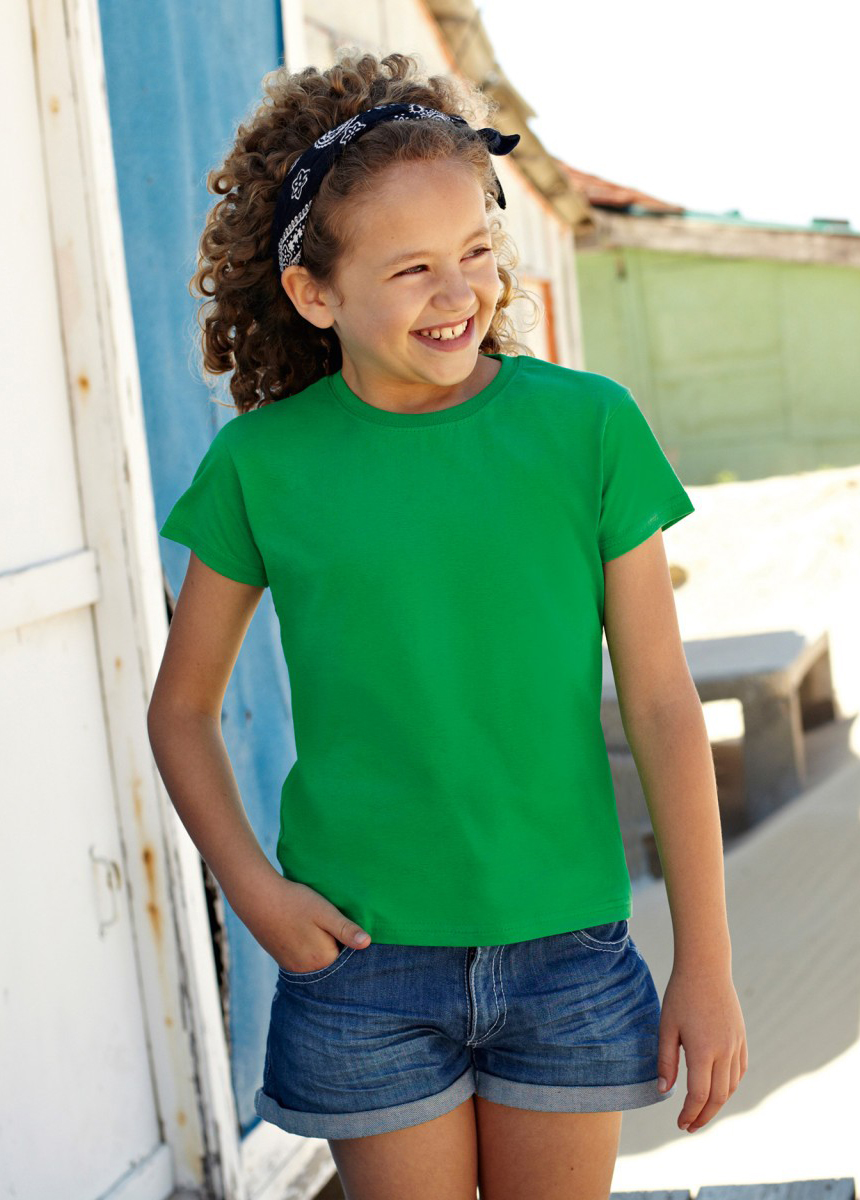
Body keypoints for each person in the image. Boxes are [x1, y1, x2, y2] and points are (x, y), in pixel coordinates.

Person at [148, 49, 747, 1200]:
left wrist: (706, 963)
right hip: (362, 968)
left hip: (566, 951)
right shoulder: (260, 467)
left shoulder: (588, 429)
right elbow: (181, 711)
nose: (459, 291)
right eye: (412, 268)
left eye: (475, 251)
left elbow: (662, 705)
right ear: (314, 295)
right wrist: (255, 892)